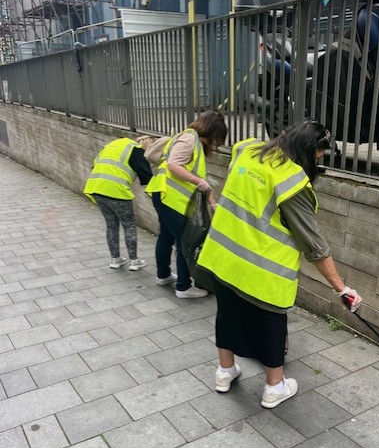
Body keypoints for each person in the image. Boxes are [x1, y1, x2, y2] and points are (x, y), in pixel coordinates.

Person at [197, 120, 363, 408]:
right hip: (263, 274)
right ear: (309, 149)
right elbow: (314, 246)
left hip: (223, 258)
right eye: (320, 154)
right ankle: (274, 387)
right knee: (271, 327)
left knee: (226, 314)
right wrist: (341, 288)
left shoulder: (246, 150)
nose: (319, 161)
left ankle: (224, 372)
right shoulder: (291, 182)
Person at [146, 109, 228, 299]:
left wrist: (212, 203)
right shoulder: (189, 139)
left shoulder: (192, 140)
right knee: (186, 242)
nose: (216, 143)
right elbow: (174, 165)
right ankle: (183, 287)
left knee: (166, 236)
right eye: (217, 138)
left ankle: (163, 275)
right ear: (211, 130)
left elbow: (200, 179)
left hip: (164, 195)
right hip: (171, 199)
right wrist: (197, 182)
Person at [83, 136, 153, 270]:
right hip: (116, 191)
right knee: (129, 225)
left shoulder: (112, 146)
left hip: (96, 188)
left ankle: (115, 259)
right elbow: (147, 176)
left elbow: (95, 166)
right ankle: (134, 261)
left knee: (111, 225)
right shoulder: (136, 150)